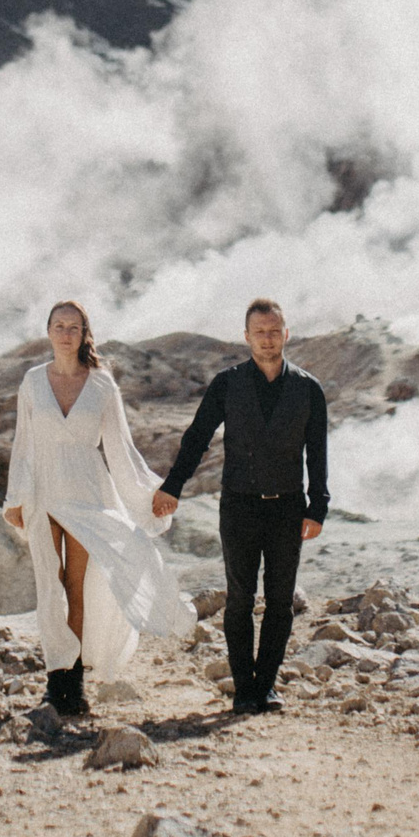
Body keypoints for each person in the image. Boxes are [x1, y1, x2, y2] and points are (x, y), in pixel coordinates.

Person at [2, 300, 196, 716]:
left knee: (76, 587)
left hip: (87, 490)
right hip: (41, 488)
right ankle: (58, 681)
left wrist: (148, 497)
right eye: (59, 326)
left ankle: (76, 683)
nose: (66, 333)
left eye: (73, 326)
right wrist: (14, 497)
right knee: (48, 587)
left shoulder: (103, 384)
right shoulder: (32, 381)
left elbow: (120, 449)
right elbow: (23, 443)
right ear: (49, 332)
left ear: (84, 333)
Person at [153, 298, 328, 714]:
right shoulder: (227, 384)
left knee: (281, 601)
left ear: (286, 334)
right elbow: (197, 437)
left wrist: (317, 506)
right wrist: (173, 486)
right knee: (240, 598)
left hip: (287, 507)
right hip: (239, 506)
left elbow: (317, 453)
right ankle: (243, 689)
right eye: (259, 332)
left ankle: (265, 687)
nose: (267, 339)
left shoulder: (308, 388)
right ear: (246, 336)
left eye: (274, 331)